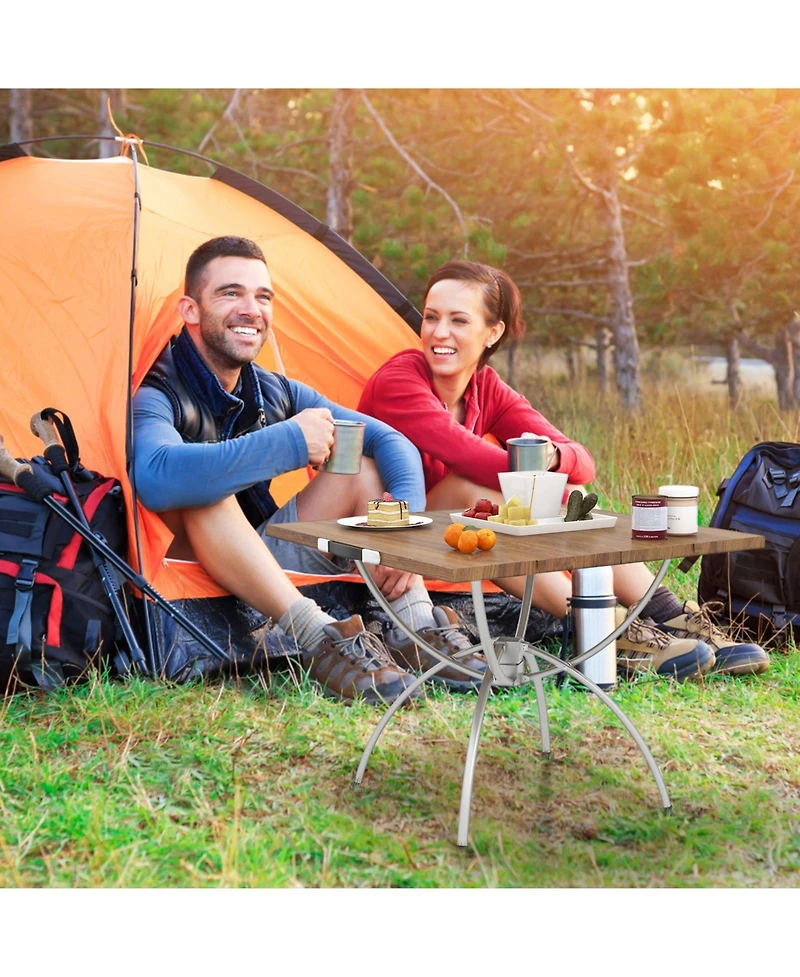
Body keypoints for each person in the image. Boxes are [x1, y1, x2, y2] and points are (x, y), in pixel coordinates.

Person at [359, 260, 770, 681]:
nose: (439, 333)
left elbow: (581, 459)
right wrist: (543, 482)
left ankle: (664, 613)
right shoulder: (401, 379)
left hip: (450, 541)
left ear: (493, 332)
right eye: (431, 317)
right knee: (480, 493)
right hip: (388, 535)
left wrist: (553, 460)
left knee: (560, 496)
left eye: (458, 320)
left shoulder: (487, 387)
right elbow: (471, 459)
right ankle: (604, 631)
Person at [132, 237, 487, 704]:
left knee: (361, 468)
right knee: (205, 490)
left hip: (256, 557)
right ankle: (321, 640)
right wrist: (290, 443)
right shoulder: (156, 390)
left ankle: (416, 627)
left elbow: (389, 440)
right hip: (184, 574)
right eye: (230, 293)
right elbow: (156, 477)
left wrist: (404, 532)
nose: (250, 309)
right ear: (190, 310)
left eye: (262, 297)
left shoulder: (273, 390)